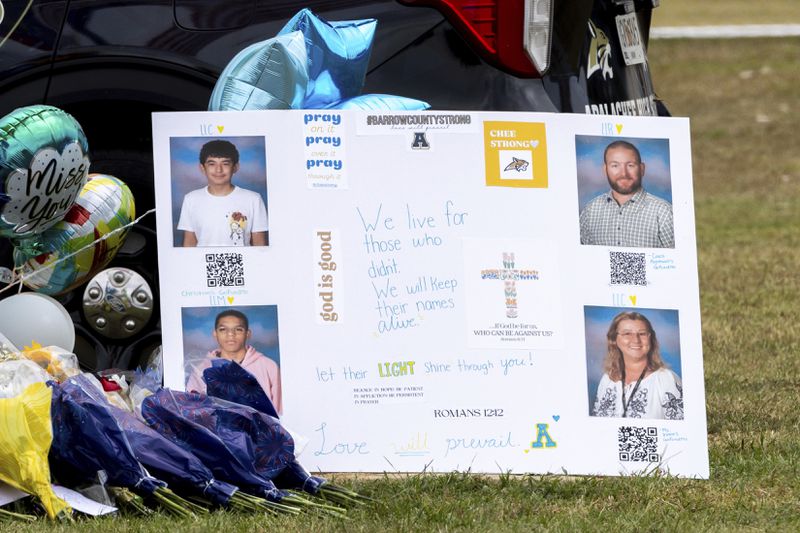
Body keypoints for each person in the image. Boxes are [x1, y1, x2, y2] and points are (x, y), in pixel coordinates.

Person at [579, 140, 674, 248]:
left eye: (630, 165)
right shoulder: (590, 210)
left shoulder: (663, 212)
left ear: (642, 169)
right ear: (605, 170)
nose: (624, 173)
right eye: (615, 165)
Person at [187, 309, 282, 414]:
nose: (231, 334)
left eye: (238, 329)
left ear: (247, 333)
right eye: (223, 329)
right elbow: (193, 412)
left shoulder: (269, 366)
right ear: (215, 334)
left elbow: (280, 413)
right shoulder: (201, 369)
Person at [592, 311, 683, 419]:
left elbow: (681, 431)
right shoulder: (607, 380)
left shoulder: (666, 379)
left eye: (642, 334)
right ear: (614, 339)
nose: (636, 340)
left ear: (651, 339)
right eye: (627, 333)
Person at [177, 139, 268, 247]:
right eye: (212, 164)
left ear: (235, 167)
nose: (218, 170)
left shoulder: (253, 199)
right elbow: (189, 243)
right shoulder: (191, 199)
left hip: (241, 263)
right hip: (203, 263)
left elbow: (260, 244)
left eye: (225, 163)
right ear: (202, 168)